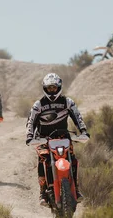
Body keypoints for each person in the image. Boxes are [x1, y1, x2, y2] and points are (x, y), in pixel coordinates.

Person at [25, 73, 89, 206]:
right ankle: (43, 192)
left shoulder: (67, 102)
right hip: (44, 139)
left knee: (73, 159)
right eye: (49, 88)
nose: (52, 90)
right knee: (43, 160)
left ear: (59, 87)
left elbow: (78, 117)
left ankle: (76, 189)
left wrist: (84, 132)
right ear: (45, 88)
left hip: (63, 137)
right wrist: (30, 136)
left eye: (54, 88)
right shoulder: (39, 104)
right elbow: (31, 122)